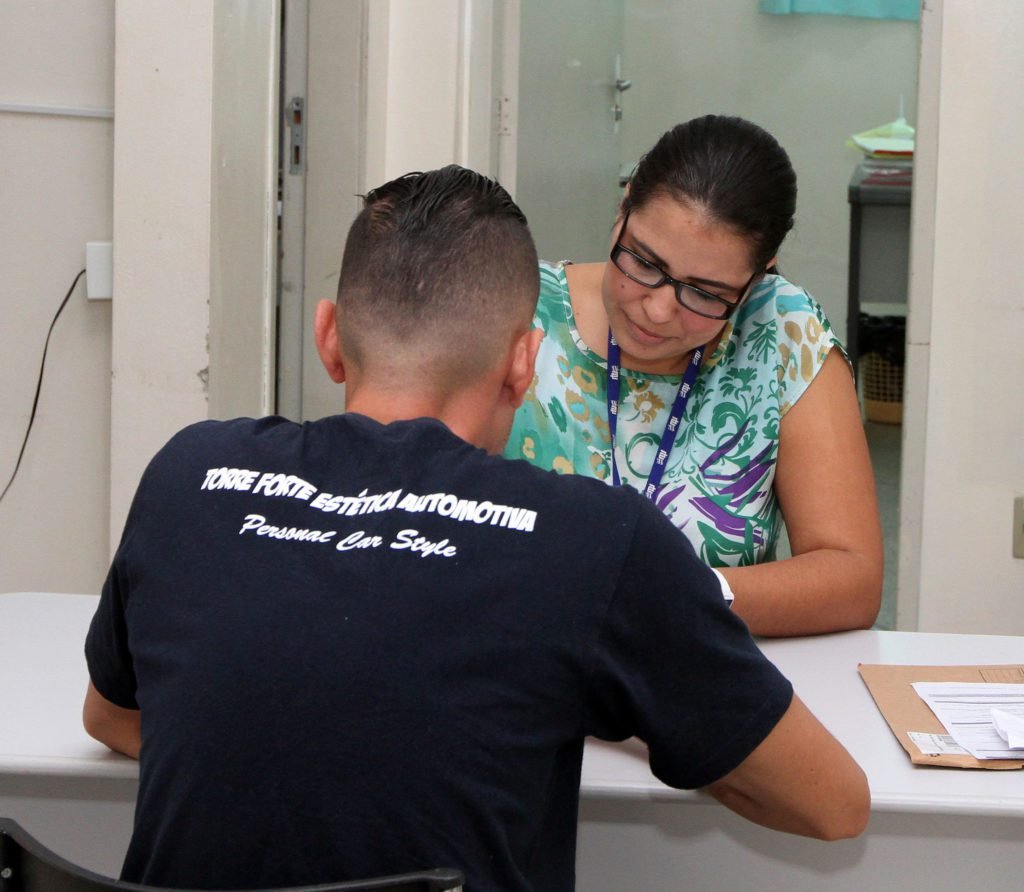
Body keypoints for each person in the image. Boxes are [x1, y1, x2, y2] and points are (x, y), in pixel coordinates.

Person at [83, 165, 868, 892]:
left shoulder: (191, 474)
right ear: (524, 365)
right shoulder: (593, 545)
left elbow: (110, 713)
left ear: (329, 337)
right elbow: (834, 805)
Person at [504, 115, 884, 637]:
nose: (658, 310)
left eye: (705, 293)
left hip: (700, 677)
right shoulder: (519, 314)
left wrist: (688, 595)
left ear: (760, 274)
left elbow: (851, 577)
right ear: (624, 207)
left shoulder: (782, 332)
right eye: (643, 262)